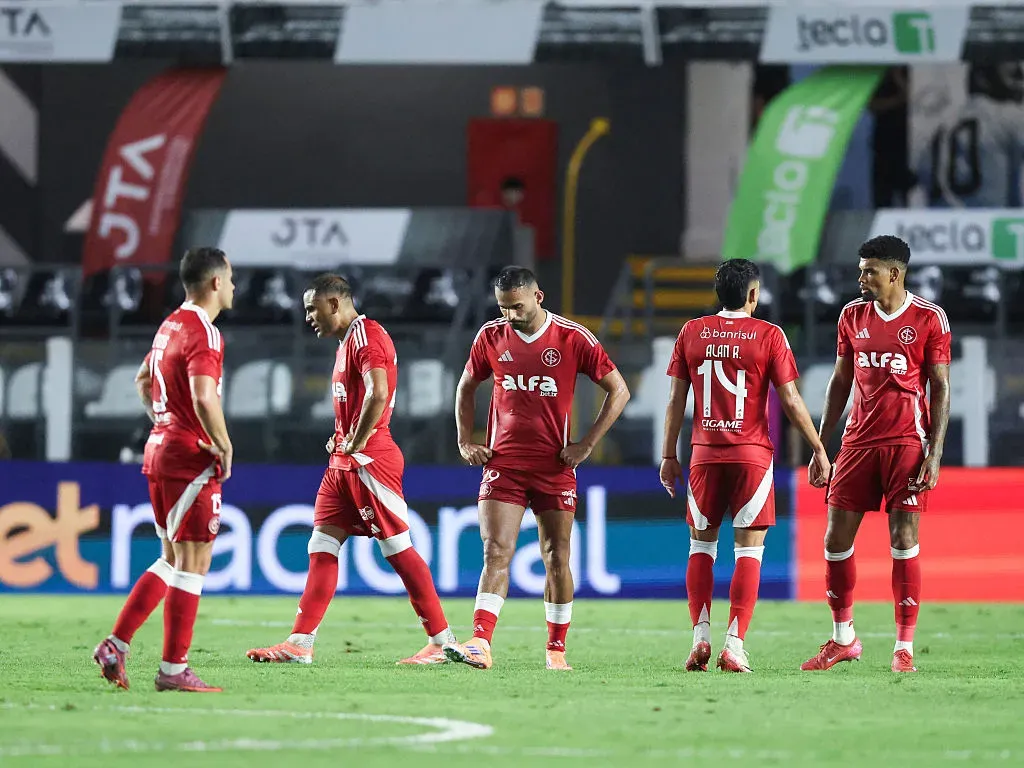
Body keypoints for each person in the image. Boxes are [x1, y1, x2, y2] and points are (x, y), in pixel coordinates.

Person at [246, 274, 457, 665]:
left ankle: (442, 642)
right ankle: (300, 644)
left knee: (396, 549)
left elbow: (379, 393)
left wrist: (357, 440)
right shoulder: (347, 342)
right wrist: (341, 436)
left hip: (368, 461)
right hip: (342, 463)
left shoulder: (367, 336)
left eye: (312, 308)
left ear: (334, 304)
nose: (308, 316)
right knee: (321, 545)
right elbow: (360, 400)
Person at [442, 266, 630, 671]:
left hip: (554, 466)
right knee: (496, 551)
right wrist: (464, 440)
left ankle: (556, 650)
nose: (510, 315)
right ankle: (480, 642)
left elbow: (619, 389)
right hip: (503, 463)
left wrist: (587, 444)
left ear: (538, 297)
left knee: (556, 555)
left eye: (517, 307)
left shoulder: (572, 337)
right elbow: (466, 385)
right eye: (503, 308)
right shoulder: (490, 337)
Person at [660, 259, 832, 673]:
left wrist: (669, 455)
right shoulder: (769, 335)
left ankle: (700, 638)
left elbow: (675, 401)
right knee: (748, 553)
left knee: (701, 547)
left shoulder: (692, 331)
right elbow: (790, 399)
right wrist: (819, 447)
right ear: (753, 295)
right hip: (751, 455)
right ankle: (733, 645)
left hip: (704, 453)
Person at [801, 235, 951, 674]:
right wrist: (821, 445)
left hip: (907, 442)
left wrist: (935, 452)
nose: (861, 278)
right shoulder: (852, 316)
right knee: (834, 541)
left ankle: (903, 647)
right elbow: (840, 381)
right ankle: (843, 638)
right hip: (856, 444)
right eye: (860, 269)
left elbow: (940, 386)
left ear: (894, 273)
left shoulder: (929, 318)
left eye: (869, 270)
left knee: (903, 541)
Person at [92, 246, 235, 692]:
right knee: (194, 559)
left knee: (172, 557)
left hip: (159, 452)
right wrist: (223, 443)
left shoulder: (169, 325)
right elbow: (203, 395)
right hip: (189, 457)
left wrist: (164, 422)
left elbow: (142, 381)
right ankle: (174, 670)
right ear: (215, 283)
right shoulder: (204, 333)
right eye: (229, 280)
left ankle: (116, 643)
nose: (232, 287)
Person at [915, 62, 1024, 207]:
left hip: (944, 226)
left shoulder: (938, 130)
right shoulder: (1008, 116)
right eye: (1014, 78)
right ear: (982, 79)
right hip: (992, 224)